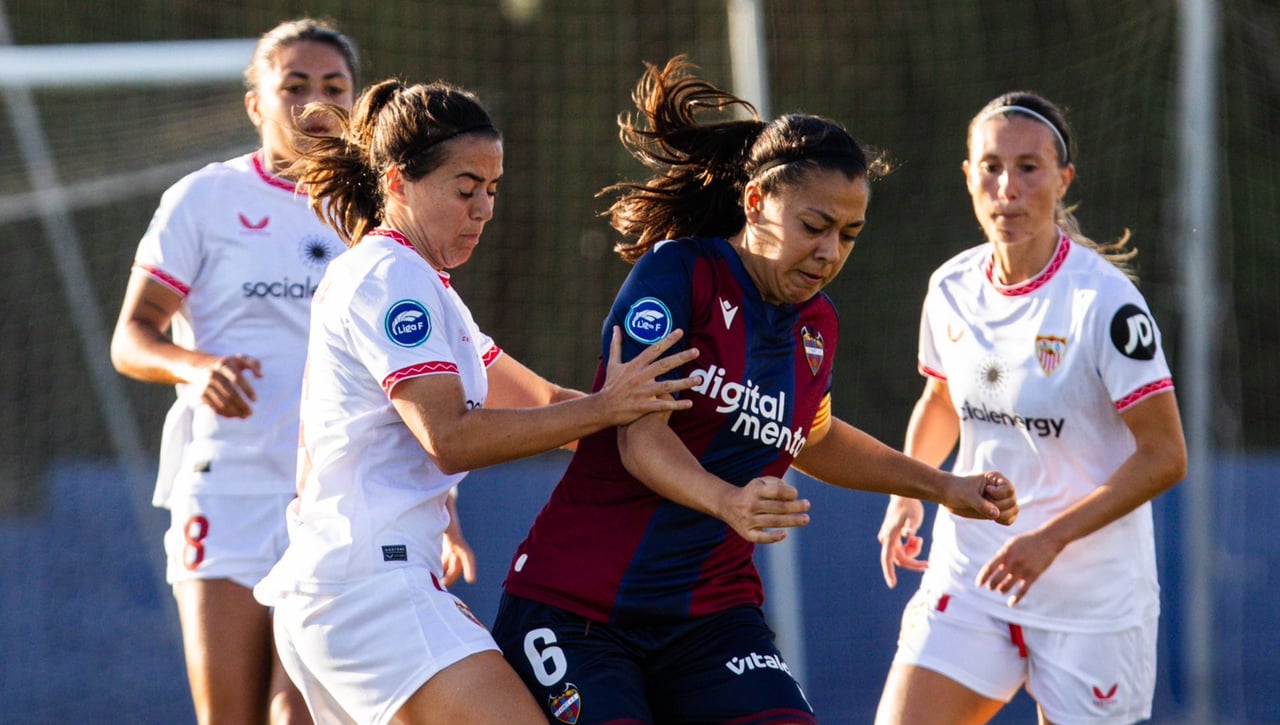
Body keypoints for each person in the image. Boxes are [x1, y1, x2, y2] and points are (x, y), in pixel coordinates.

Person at [491, 55, 1019, 725]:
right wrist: (728, 500)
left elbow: (815, 437)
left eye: (849, 234)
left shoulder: (817, 324)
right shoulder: (678, 275)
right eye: (814, 226)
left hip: (710, 617)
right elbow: (638, 437)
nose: (830, 252)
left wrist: (943, 485)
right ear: (756, 202)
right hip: (579, 607)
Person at [250, 77, 703, 725]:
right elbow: (451, 436)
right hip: (372, 587)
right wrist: (608, 408)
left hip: (350, 590)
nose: (484, 208)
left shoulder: (425, 286)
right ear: (398, 181)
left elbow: (544, 400)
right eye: (465, 189)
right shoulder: (391, 275)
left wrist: (689, 446)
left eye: (492, 189)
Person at [873, 92, 1188, 725]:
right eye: (990, 166)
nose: (1006, 187)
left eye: (1028, 167)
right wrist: (908, 491)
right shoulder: (950, 288)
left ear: (1063, 178)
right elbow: (940, 401)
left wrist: (1049, 539)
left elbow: (1165, 456)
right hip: (972, 578)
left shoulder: (1105, 303)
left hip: (1091, 602)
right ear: (967, 176)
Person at [108, 18, 385, 725]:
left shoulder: (378, 212)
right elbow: (132, 335)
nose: (315, 100)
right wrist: (193, 366)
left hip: (330, 497)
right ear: (256, 103)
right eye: (294, 85)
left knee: (302, 712)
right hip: (226, 488)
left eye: (334, 86)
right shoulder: (204, 199)